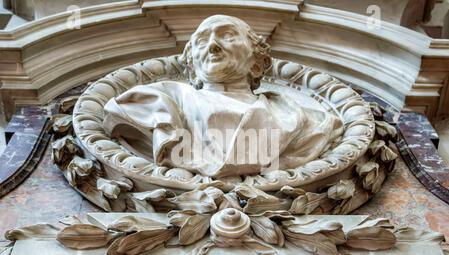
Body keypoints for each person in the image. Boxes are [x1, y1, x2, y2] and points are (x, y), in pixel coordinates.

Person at [103, 15, 343, 178]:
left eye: (227, 35)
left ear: (257, 63)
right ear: (192, 66)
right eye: (201, 40)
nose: (212, 46)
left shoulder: (306, 121)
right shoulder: (157, 102)